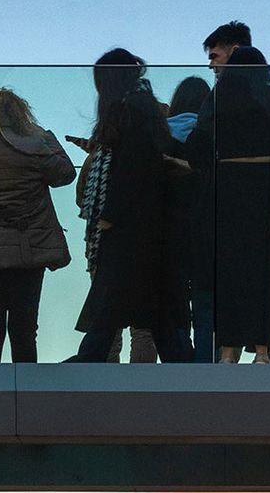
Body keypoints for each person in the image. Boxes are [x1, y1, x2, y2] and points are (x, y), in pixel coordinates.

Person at [70, 48, 191, 363]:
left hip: (131, 228)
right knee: (153, 307)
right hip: (148, 227)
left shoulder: (129, 110)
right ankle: (181, 364)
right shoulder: (144, 107)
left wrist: (110, 214)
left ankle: (91, 355)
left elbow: (131, 167)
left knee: (112, 295)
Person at [196, 24, 270, 363]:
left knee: (228, 272)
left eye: (215, 56)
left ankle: (227, 351)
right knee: (263, 270)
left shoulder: (218, 96)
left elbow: (198, 143)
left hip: (226, 187)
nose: (212, 64)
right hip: (265, 187)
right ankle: (262, 351)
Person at [0, 86, 75, 363]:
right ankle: (26, 387)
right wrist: (47, 138)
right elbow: (65, 174)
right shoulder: (34, 146)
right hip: (28, 248)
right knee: (24, 329)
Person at [166, 74, 215, 361]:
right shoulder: (213, 137)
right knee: (206, 306)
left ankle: (180, 367)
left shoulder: (161, 137)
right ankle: (207, 367)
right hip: (206, 232)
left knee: (174, 307)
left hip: (170, 232)